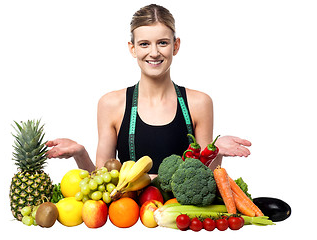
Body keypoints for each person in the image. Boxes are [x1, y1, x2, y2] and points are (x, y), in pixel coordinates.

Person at [45, 4, 251, 177]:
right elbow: (102, 181)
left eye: (162, 43)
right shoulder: (111, 104)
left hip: (180, 222)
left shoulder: (199, 103)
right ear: (132, 48)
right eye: (144, 44)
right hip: (128, 221)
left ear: (175, 46)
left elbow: (206, 179)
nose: (154, 52)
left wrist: (217, 152)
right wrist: (80, 154)